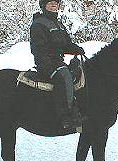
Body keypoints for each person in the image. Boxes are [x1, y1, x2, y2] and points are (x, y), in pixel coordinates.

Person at [30, 0, 85, 130]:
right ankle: (66, 115)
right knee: (64, 76)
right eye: (50, 2)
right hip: (46, 62)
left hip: (58, 61)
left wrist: (75, 48)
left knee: (78, 71)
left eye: (56, 2)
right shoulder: (39, 24)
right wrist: (47, 64)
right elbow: (38, 49)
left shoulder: (59, 24)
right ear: (43, 6)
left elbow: (65, 44)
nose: (54, 4)